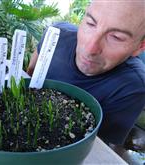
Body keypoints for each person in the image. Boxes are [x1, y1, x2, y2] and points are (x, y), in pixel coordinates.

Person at [27, 0, 145, 145]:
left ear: (140, 47)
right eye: (90, 23)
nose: (90, 49)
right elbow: (29, 74)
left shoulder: (132, 86)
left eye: (116, 37)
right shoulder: (56, 36)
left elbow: (99, 148)